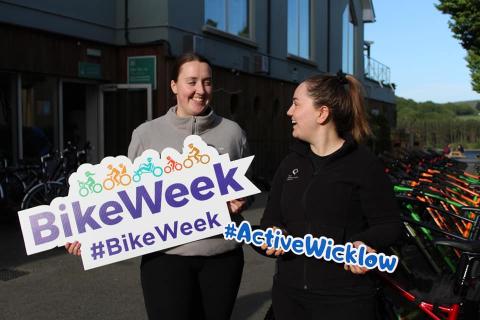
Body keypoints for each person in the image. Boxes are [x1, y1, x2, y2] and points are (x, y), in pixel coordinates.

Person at [66, 52, 250, 320]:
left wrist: (242, 199)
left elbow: (248, 186)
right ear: (174, 86)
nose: (200, 90)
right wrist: (86, 231)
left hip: (222, 257)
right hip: (165, 259)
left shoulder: (233, 133)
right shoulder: (146, 134)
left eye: (207, 82)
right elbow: (123, 199)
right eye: (192, 82)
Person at [260, 72, 402, 319]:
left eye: (296, 103)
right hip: (289, 299)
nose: (289, 112)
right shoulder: (289, 164)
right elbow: (269, 220)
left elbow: (390, 226)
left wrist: (366, 243)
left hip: (346, 302)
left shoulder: (364, 164)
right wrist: (272, 233)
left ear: (322, 113)